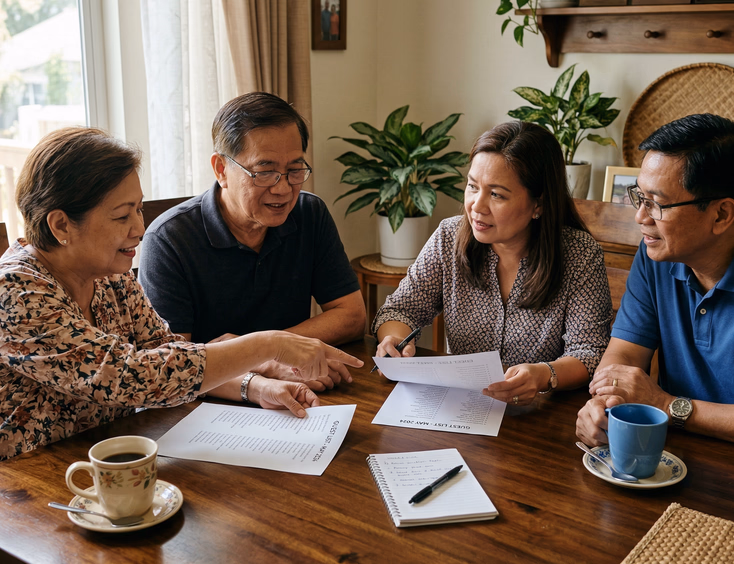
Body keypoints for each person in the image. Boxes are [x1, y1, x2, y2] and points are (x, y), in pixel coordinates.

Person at [0, 127, 362, 461]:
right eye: (122, 216)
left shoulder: (110, 277)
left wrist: (255, 387)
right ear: (61, 224)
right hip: (28, 485)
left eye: (139, 209)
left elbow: (172, 357)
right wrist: (268, 345)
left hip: (113, 461)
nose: (139, 229)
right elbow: (130, 376)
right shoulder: (14, 291)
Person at [139, 92, 365, 393]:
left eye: (295, 170)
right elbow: (171, 366)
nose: (283, 188)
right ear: (221, 169)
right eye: (265, 172)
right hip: (211, 403)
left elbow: (351, 316)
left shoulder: (310, 213)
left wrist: (266, 351)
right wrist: (265, 359)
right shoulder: (168, 240)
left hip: (297, 386)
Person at [373, 121, 612, 406]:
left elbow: (589, 352)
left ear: (539, 204)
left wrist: (544, 374)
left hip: (540, 415)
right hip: (461, 407)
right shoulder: (449, 237)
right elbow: (400, 309)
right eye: (473, 186)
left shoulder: (579, 254)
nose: (477, 205)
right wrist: (394, 341)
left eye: (496, 194)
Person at [576, 113, 734, 445]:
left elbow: (659, 403)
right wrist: (605, 404)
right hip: (672, 452)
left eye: (656, 204)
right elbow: (624, 355)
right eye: (640, 198)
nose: (640, 217)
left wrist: (667, 405)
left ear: (721, 214)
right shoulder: (657, 256)